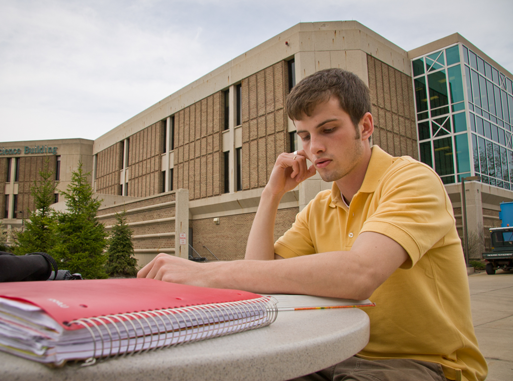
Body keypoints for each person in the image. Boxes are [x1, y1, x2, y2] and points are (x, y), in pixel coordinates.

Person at [138, 68, 487, 381]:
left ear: (364, 127)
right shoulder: (320, 205)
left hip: (423, 364)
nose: (314, 147)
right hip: (336, 353)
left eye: (328, 129)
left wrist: (205, 273)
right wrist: (271, 195)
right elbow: (260, 277)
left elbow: (359, 274)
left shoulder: (411, 179)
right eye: (304, 136)